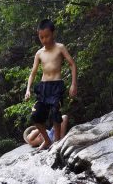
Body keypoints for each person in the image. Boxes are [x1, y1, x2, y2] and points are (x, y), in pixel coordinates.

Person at [24, 19, 77, 152]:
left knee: (55, 112)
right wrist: (28, 89)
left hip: (56, 86)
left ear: (53, 33)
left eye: (47, 36)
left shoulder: (60, 48)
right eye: (41, 37)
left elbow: (72, 64)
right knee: (35, 115)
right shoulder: (39, 53)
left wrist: (73, 84)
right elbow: (33, 73)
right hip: (43, 87)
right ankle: (47, 140)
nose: (44, 40)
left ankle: (57, 142)